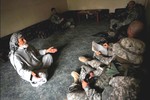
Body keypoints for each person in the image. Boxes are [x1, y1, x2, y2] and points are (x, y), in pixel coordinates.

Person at [67, 37, 145, 100]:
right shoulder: (122, 62)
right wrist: (94, 74)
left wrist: (87, 89)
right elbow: (110, 70)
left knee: (70, 96)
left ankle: (76, 81)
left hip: (103, 94)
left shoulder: (126, 87)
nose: (115, 52)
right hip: (105, 84)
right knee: (85, 69)